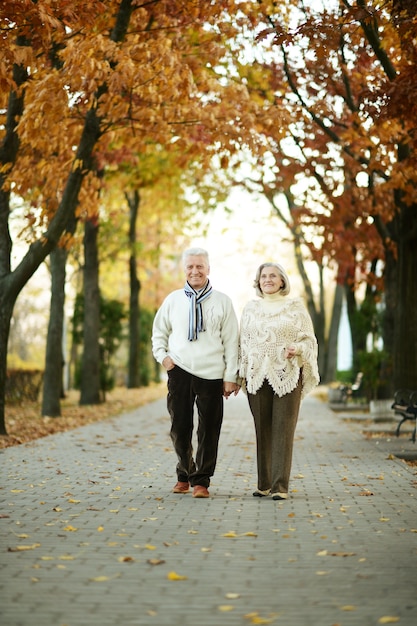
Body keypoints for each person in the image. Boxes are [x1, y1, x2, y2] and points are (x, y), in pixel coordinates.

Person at [152, 247, 240, 498]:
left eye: (200, 266)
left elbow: (232, 341)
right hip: (179, 370)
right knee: (180, 428)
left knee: (209, 430)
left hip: (212, 373)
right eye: (190, 266)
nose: (195, 271)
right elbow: (159, 332)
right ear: (184, 269)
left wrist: (230, 376)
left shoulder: (222, 301)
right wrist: (164, 358)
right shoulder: (173, 299)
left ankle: (201, 480)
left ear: (208, 269)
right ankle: (184, 472)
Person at [239, 262, 319, 501]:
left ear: (282, 280)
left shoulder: (295, 308)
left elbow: (310, 340)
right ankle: (263, 484)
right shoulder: (250, 309)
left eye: (273, 275)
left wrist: (298, 348)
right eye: (263, 276)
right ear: (258, 281)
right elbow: (242, 344)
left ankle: (280, 486)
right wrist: (237, 374)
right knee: (262, 429)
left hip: (287, 373)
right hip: (257, 375)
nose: (268, 279)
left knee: (283, 429)